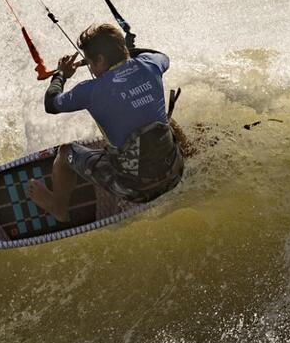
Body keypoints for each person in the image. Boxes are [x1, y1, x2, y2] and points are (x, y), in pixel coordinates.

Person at [27, 23, 186, 222]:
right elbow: (161, 55)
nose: (91, 68)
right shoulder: (150, 65)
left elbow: (51, 104)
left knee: (65, 152)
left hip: (134, 190)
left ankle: (58, 206)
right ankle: (191, 154)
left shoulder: (90, 90)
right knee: (164, 121)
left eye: (91, 63)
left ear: (101, 59)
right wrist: (128, 53)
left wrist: (60, 74)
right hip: (175, 174)